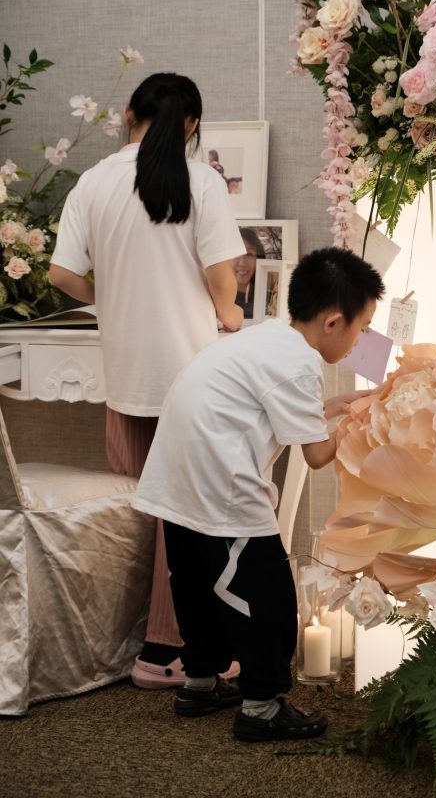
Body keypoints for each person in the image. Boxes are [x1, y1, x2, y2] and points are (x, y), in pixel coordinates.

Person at [133, 247, 385, 741]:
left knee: (196, 581)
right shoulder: (300, 362)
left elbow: (272, 407)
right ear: (333, 322)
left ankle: (200, 683)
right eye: (363, 329)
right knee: (266, 592)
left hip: (177, 475)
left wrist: (333, 406)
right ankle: (262, 707)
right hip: (220, 482)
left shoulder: (266, 337)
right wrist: (360, 420)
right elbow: (317, 454)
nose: (361, 342)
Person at [48, 72, 245, 690]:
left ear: (128, 114)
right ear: (191, 125)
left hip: (126, 376)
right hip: (188, 376)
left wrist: (108, 297)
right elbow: (221, 274)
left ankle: (135, 640)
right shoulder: (201, 181)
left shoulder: (92, 181)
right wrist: (231, 314)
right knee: (182, 517)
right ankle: (166, 650)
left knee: (140, 512)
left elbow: (60, 275)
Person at [232, 227, 265, 319]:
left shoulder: (266, 298)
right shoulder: (215, 296)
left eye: (249, 254)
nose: (242, 263)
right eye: (236, 254)